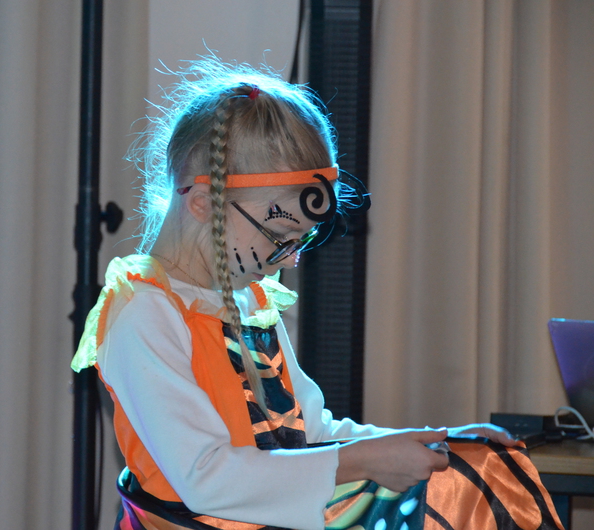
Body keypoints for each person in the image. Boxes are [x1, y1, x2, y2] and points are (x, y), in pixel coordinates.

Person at [72, 57, 562, 530]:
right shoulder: (144, 313)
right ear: (203, 203)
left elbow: (311, 433)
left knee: (483, 470)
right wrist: (365, 460)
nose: (291, 261)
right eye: (280, 237)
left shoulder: (249, 300)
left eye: (301, 241)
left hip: (269, 516)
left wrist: (434, 441)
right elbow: (205, 477)